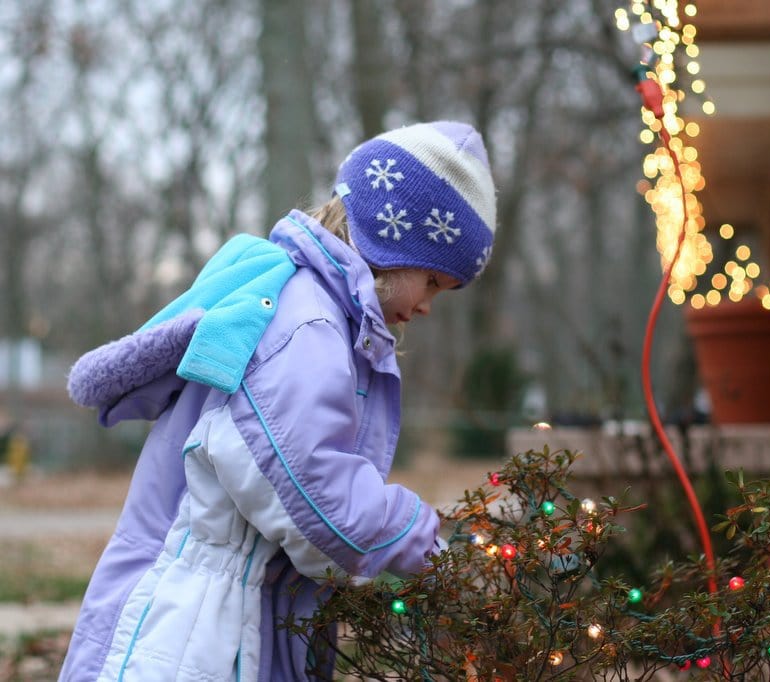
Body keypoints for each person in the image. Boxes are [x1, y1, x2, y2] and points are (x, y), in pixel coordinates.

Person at [59, 121, 497, 681]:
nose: (430, 306)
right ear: (393, 243)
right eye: (432, 281)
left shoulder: (308, 311)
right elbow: (315, 498)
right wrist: (422, 538)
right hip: (191, 636)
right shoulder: (306, 326)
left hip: (216, 620)